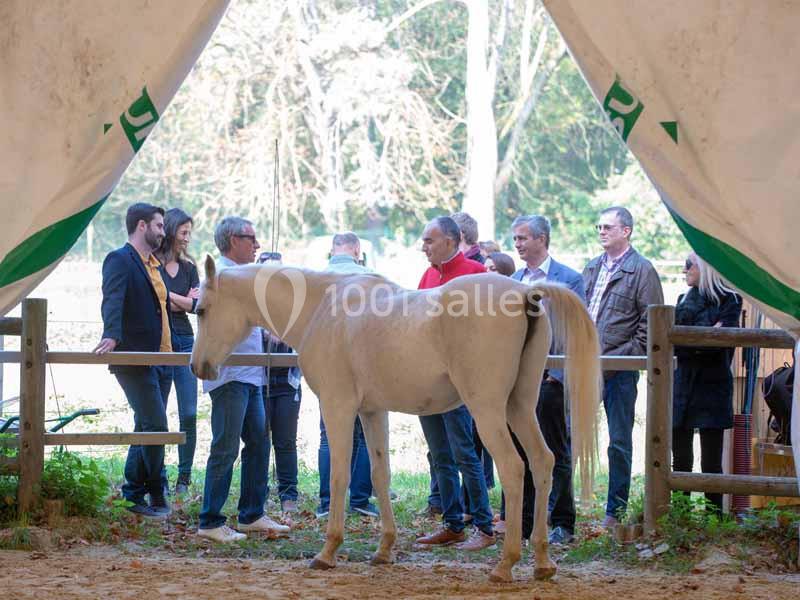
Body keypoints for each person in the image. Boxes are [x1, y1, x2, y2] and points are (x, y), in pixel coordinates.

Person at [197, 217, 290, 543]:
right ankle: (210, 520)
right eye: (250, 238)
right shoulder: (219, 277)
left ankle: (252, 513)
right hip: (229, 375)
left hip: (251, 374)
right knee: (225, 447)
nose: (256, 244)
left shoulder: (242, 278)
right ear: (232, 240)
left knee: (259, 444)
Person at [494, 215, 585, 545]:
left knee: (555, 450)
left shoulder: (569, 280)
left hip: (551, 380)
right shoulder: (514, 281)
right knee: (518, 446)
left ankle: (562, 521)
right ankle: (524, 520)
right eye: (515, 239)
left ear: (542, 239)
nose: (517, 244)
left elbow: (574, 332)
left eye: (523, 238)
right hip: (517, 379)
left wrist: (557, 378)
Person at [415, 217, 495, 551]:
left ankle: (484, 527)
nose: (424, 247)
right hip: (426, 379)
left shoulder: (477, 275)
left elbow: (489, 329)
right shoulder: (428, 276)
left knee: (465, 453)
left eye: (430, 240)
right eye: (423, 240)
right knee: (439, 455)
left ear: (452, 240)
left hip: (460, 381)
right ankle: (452, 523)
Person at [583, 206, 663, 528]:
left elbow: (652, 320)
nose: (601, 231)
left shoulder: (642, 270)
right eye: (599, 226)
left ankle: (614, 512)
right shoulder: (591, 267)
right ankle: (560, 513)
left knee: (618, 441)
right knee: (568, 436)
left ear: (626, 231)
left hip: (620, 370)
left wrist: (622, 356)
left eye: (608, 227)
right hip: (585, 366)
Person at [94, 203, 173, 519]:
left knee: (146, 424)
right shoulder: (120, 259)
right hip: (134, 357)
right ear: (142, 226)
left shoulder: (154, 264)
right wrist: (111, 334)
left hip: (162, 358)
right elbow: (112, 298)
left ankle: (132, 495)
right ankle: (155, 492)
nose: (162, 232)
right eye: (158, 226)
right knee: (155, 425)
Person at [672, 253, 742, 515]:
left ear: (706, 267)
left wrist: (694, 340)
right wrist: (707, 333)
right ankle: (680, 517)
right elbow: (676, 344)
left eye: (689, 265)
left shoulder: (731, 300)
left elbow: (718, 344)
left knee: (712, 460)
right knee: (680, 458)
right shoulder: (682, 300)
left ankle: (714, 518)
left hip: (713, 386)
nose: (684, 269)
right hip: (682, 387)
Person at [316, 232, 378, 518]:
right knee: (365, 435)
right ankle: (360, 500)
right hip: (365, 366)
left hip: (329, 367)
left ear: (332, 251)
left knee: (329, 436)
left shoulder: (318, 279)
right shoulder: (369, 277)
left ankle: (328, 503)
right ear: (357, 250)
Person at [155, 208, 200, 495]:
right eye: (184, 233)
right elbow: (153, 302)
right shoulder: (151, 264)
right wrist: (182, 299)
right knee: (156, 413)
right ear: (171, 232)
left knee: (190, 413)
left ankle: (183, 479)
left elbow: (197, 306)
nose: (187, 238)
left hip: (185, 340)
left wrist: (165, 296)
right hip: (158, 342)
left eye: (189, 233)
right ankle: (155, 476)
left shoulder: (189, 268)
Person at [257, 251, 304, 514]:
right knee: (258, 440)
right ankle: (258, 493)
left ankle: (289, 495)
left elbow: (304, 335)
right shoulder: (251, 302)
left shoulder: (294, 302)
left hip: (287, 382)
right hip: (258, 381)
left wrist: (284, 335)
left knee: (286, 441)